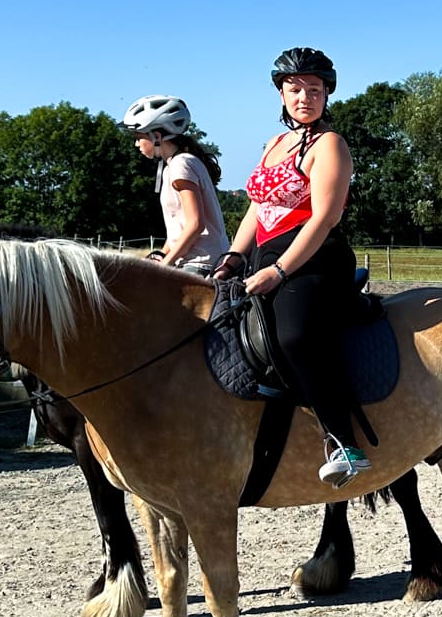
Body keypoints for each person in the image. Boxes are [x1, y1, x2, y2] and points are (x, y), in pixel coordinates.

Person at [218, 47, 370, 488]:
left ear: (327, 95)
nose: (305, 97)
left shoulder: (331, 145)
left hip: (315, 256)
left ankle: (344, 442)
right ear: (281, 93)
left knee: (294, 335)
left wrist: (280, 272)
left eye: (315, 90)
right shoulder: (274, 144)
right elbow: (257, 208)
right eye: (295, 89)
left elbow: (324, 217)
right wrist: (232, 257)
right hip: (265, 254)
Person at [120, 95, 228, 276]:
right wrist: (162, 255)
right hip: (192, 259)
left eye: (139, 137)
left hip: (200, 263)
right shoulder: (176, 164)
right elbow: (177, 229)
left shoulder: (181, 165)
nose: (136, 144)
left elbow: (195, 224)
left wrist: (166, 264)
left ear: (156, 136)